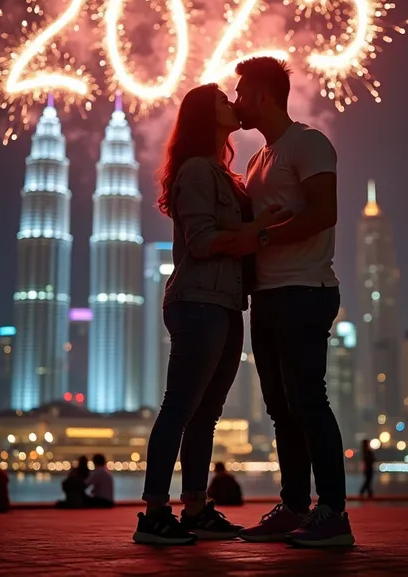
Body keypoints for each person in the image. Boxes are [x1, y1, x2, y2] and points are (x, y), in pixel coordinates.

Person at [133, 83, 287, 546]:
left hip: (223, 302)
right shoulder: (199, 170)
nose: (233, 103)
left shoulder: (221, 171)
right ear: (206, 117)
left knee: (205, 415)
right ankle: (155, 514)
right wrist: (258, 227)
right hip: (198, 301)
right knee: (180, 407)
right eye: (223, 100)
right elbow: (200, 242)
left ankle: (195, 508)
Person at [226, 56, 354, 547]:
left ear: (260, 94)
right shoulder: (259, 159)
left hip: (306, 289)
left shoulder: (308, 143)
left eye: (241, 92)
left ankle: (334, 514)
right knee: (280, 407)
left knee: (307, 399)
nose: (237, 102)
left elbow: (325, 212)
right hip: (269, 295)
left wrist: (258, 236)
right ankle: (296, 505)